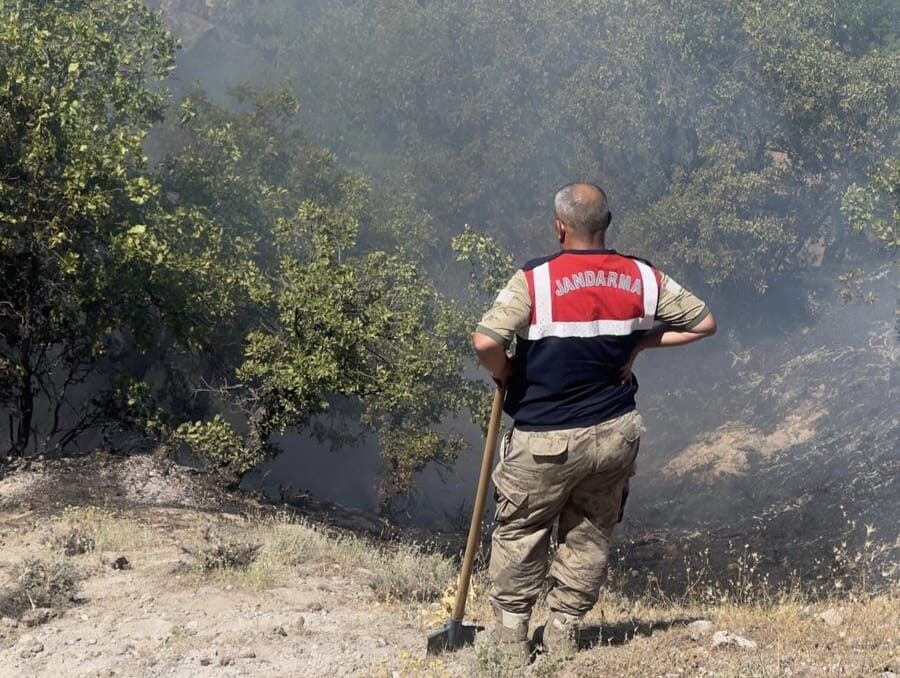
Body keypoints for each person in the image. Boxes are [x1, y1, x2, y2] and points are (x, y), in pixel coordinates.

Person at [472, 182, 717, 660]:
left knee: (521, 535)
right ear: (606, 225)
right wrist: (639, 343)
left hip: (544, 438)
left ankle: (511, 646)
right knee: (590, 534)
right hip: (615, 435)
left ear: (559, 227)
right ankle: (563, 633)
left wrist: (506, 374)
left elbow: (485, 341)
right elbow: (703, 322)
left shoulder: (536, 279)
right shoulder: (643, 277)